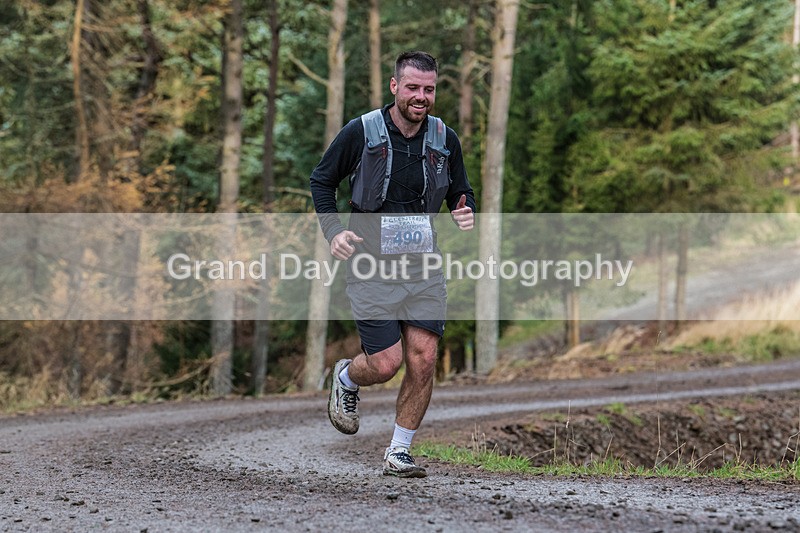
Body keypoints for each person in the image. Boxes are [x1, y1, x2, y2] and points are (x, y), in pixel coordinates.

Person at [310, 50, 476, 478]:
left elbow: (461, 190)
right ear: (395, 86)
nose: (421, 96)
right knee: (386, 363)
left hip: (423, 267)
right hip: (371, 264)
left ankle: (399, 450)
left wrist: (465, 209)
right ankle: (347, 377)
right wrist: (334, 231)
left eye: (429, 89)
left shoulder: (444, 137)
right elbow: (322, 180)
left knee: (424, 358)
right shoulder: (361, 131)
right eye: (413, 87)